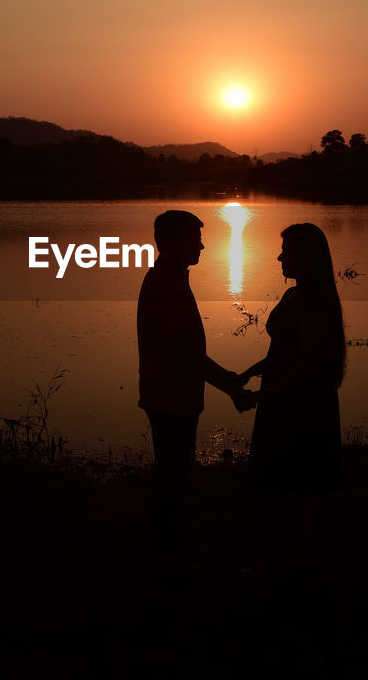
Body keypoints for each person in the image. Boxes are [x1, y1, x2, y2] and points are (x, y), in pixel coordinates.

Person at [137, 209, 250, 555]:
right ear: (170, 242)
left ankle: (166, 543)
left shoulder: (170, 278)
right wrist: (230, 384)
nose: (202, 246)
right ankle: (167, 549)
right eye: (195, 239)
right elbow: (186, 353)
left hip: (172, 392)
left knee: (173, 471)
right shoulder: (167, 284)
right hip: (169, 394)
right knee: (173, 474)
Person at [236, 223, 345, 494]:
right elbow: (281, 352)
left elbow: (305, 366)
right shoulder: (292, 294)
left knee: (297, 484)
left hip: (302, 404)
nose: (279, 257)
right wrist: (249, 372)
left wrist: (259, 397)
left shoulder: (316, 302)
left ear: (305, 256)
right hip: (278, 397)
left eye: (286, 251)